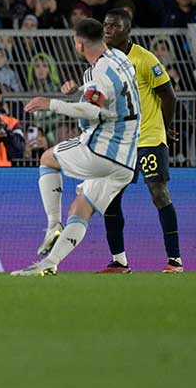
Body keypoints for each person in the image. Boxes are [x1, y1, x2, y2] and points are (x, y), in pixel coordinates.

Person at [14, 18, 140, 276]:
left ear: (79, 45)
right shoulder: (119, 57)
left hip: (103, 149)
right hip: (127, 161)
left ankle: (51, 226)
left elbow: (91, 109)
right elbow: (111, 90)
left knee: (48, 158)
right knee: (81, 207)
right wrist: (81, 90)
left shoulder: (97, 73)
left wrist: (53, 103)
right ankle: (48, 264)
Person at [93, 9, 181, 273]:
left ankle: (175, 260)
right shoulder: (102, 62)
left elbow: (169, 96)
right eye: (105, 25)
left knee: (159, 193)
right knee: (110, 198)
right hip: (121, 143)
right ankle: (119, 261)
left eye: (114, 26)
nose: (107, 29)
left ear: (127, 30)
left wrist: (163, 129)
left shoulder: (144, 59)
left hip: (149, 138)